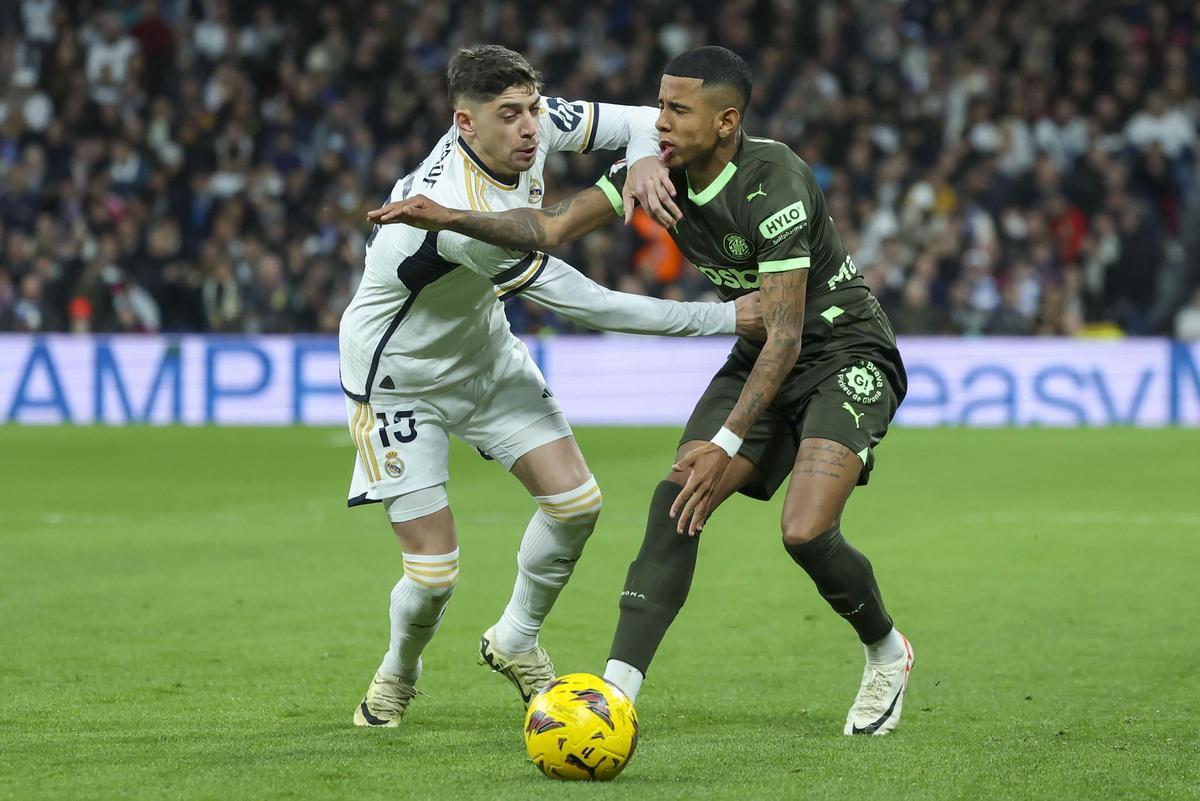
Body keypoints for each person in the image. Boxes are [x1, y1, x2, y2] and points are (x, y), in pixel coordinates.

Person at [371, 46, 914, 736]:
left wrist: (725, 440)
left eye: (675, 110)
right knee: (678, 497)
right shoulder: (658, 169)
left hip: (841, 349)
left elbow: (784, 335)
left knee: (804, 530)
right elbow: (551, 226)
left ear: (725, 122)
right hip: (763, 353)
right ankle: (614, 697)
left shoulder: (772, 181)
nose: (657, 121)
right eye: (657, 105)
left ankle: (886, 651)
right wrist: (447, 217)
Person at [340, 45, 762, 728]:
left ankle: (515, 638)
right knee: (433, 577)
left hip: (483, 356)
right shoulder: (453, 207)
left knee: (577, 505)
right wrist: (719, 317)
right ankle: (399, 671)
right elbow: (584, 301)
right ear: (466, 124)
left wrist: (648, 156)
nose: (531, 128)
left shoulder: (537, 127)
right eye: (510, 116)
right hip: (397, 381)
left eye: (533, 108)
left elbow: (643, 121)